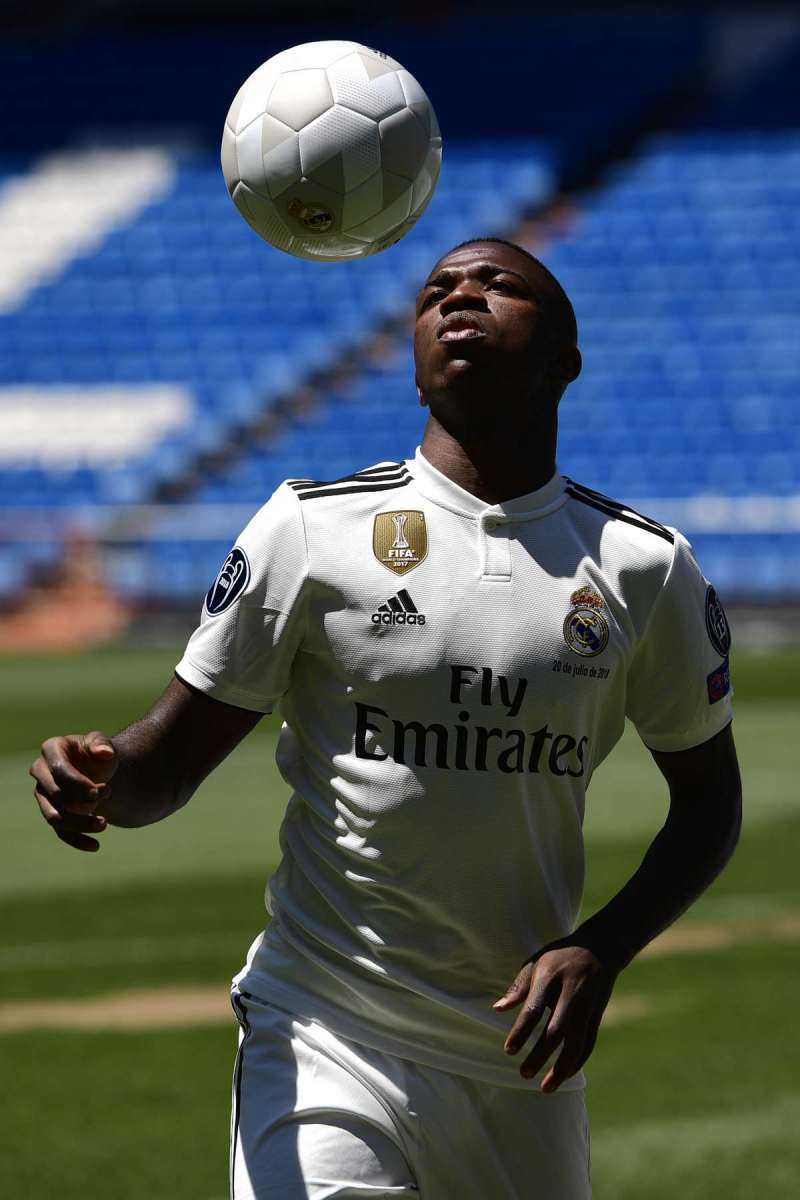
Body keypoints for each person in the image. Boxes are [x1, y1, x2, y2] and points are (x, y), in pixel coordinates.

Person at [30, 238, 742, 1199]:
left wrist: (601, 947)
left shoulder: (642, 568)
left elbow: (710, 807)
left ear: (564, 358)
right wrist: (105, 775)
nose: (462, 298)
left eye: (501, 286)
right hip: (324, 1028)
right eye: (438, 290)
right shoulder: (310, 529)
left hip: (516, 1059)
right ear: (412, 367)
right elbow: (168, 762)